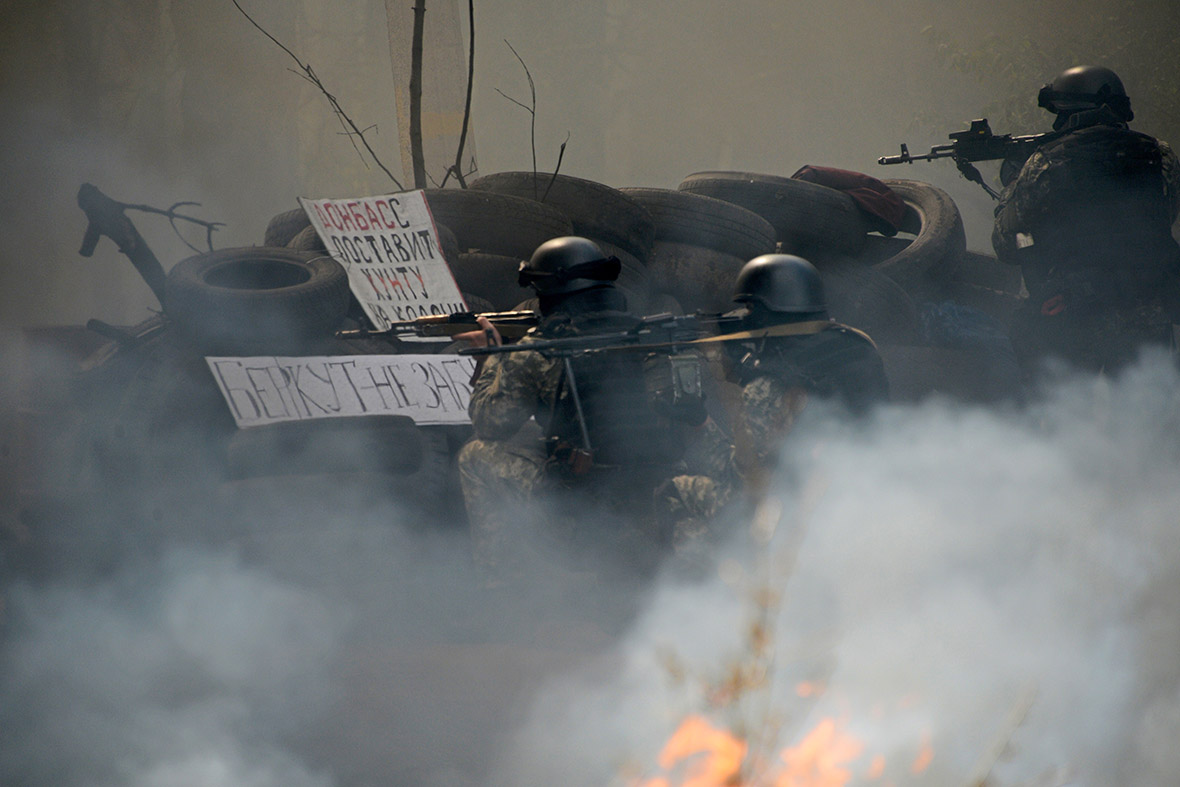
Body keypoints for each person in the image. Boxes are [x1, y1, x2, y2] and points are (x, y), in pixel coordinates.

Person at [457, 236, 735, 583]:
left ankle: (502, 586)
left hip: (587, 518)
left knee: (475, 455)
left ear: (549, 292)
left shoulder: (540, 348)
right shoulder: (652, 336)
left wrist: (491, 358)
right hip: (663, 502)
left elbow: (489, 422)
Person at [992, 65, 1180, 373]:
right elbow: (1166, 215)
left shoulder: (1046, 161)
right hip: (1149, 310)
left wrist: (1013, 184)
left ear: (1070, 111)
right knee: (1145, 413)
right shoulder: (1161, 154)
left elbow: (1007, 242)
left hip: (1074, 312)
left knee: (1067, 415)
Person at [721, 254, 889, 496]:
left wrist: (701, 422)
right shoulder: (854, 345)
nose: (744, 317)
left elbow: (739, 478)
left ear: (770, 309)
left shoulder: (770, 381)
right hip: (867, 488)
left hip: (800, 501)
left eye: (750, 308)